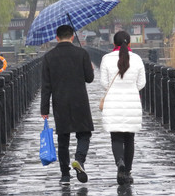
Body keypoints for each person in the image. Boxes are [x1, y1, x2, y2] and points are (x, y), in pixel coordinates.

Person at [41, 25, 95, 185]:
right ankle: (79, 159)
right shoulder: (82, 53)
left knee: (63, 138)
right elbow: (89, 78)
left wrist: (44, 109)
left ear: (56, 38)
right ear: (72, 37)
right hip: (80, 101)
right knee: (84, 134)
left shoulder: (49, 57)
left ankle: (65, 174)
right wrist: (89, 66)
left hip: (60, 101)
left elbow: (46, 86)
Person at [99, 31, 146, 185]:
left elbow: (104, 83)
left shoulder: (106, 59)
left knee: (116, 137)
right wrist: (130, 88)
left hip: (113, 102)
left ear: (114, 44)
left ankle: (120, 162)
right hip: (132, 102)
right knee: (129, 138)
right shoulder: (137, 59)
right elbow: (141, 84)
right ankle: (127, 171)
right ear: (129, 43)